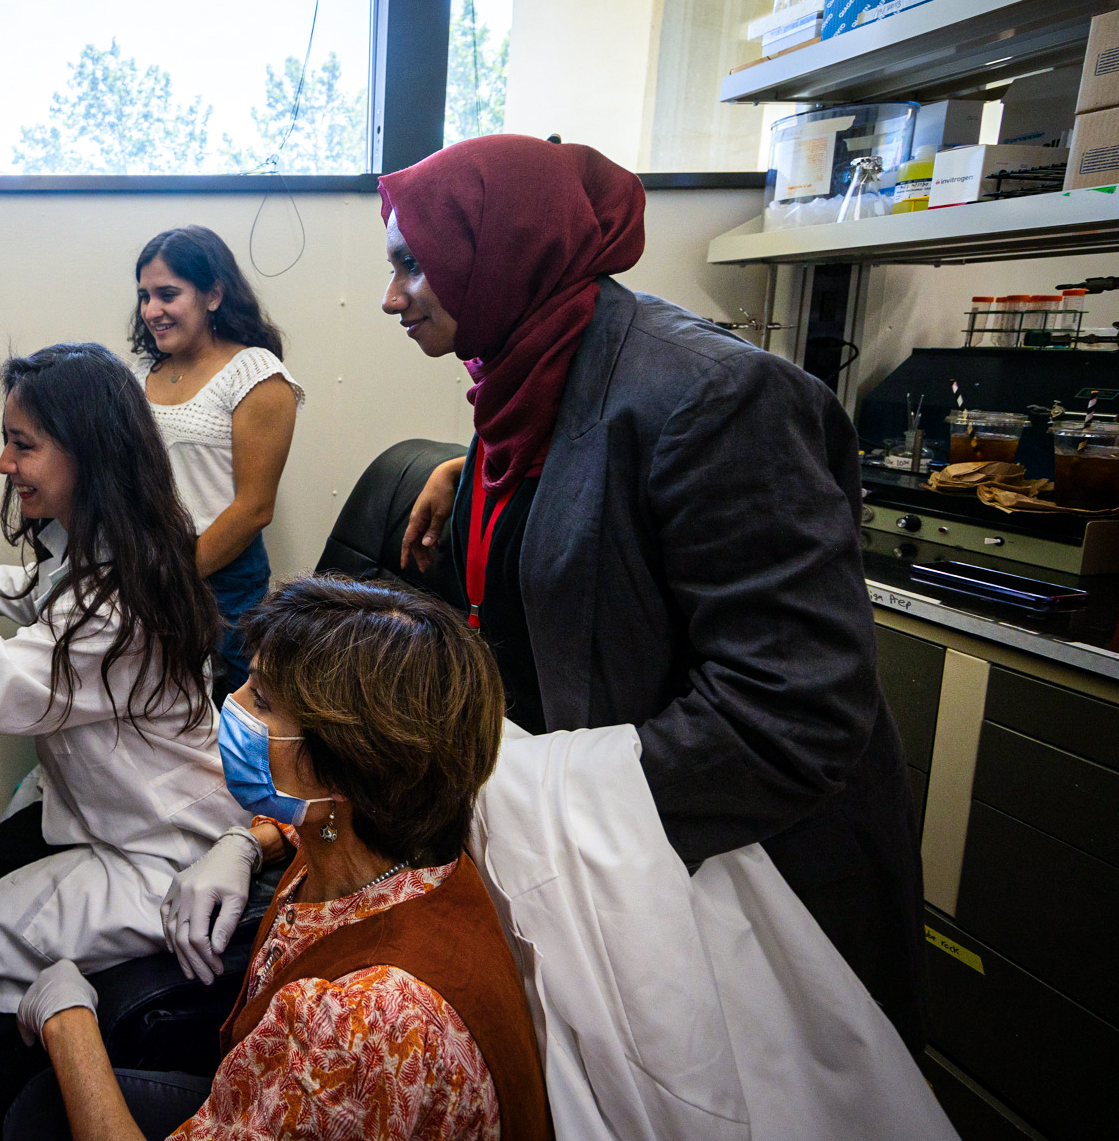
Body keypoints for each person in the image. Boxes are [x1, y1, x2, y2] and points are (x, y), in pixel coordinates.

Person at [379, 134, 925, 1049]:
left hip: (754, 882)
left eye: (411, 263)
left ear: (504, 245)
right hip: (642, 881)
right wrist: (468, 466)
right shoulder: (529, 379)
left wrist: (537, 794)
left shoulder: (718, 395)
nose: (394, 296)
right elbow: (592, 483)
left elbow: (792, 710)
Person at [5, 576, 553, 1141]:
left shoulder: (366, 1024)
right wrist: (248, 843)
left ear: (345, 765)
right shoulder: (386, 831)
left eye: (262, 701)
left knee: (41, 1109)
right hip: (272, 1081)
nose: (233, 707)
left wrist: (66, 1020)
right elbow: (309, 824)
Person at [0, 343, 249, 1139]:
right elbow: (43, 590)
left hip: (158, 859)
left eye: (24, 443)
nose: (6, 462)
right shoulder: (124, 546)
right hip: (113, 822)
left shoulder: (118, 617)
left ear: (87, 453)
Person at [130, 225, 303, 698]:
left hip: (221, 575)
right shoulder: (140, 374)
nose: (152, 311)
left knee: (231, 711)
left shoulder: (256, 373)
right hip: (150, 565)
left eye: (168, 294)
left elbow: (254, 508)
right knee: (160, 708)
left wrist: (177, 575)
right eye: (145, 296)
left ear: (213, 295)